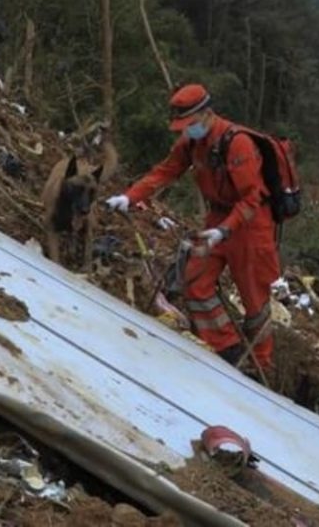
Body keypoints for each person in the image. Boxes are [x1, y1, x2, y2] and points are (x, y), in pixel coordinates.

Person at [104, 84, 282, 372]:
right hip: (217, 219)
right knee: (195, 281)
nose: (187, 130)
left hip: (250, 225)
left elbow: (252, 197)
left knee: (254, 299)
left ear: (208, 114)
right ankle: (229, 351)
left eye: (191, 124)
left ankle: (261, 367)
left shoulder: (238, 144)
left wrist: (225, 230)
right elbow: (165, 171)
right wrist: (130, 196)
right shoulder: (190, 142)